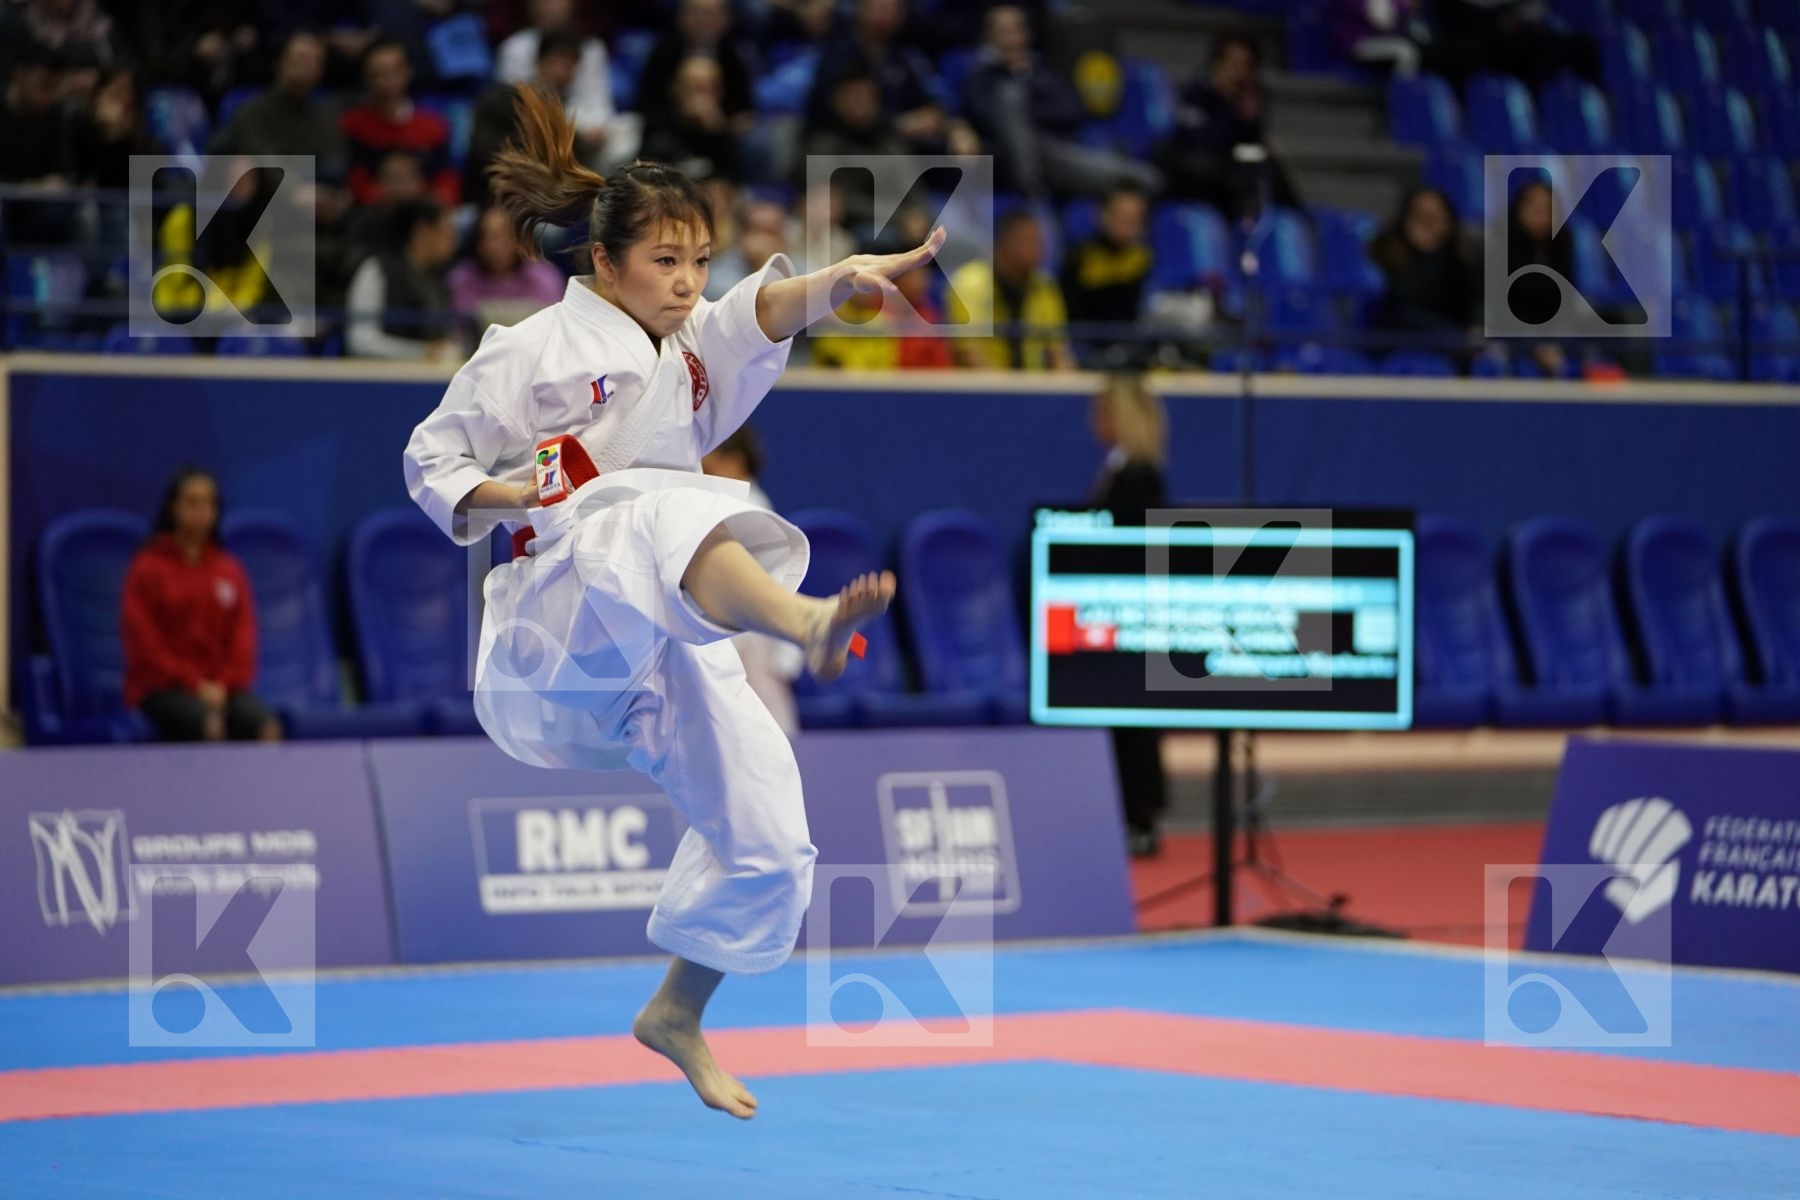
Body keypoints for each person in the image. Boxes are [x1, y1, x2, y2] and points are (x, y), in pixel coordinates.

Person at [402, 87, 939, 1119]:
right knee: (651, 501)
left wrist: (842, 278)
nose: (690, 283)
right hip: (547, 644)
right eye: (666, 262)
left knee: (771, 822)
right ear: (602, 263)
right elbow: (430, 453)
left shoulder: (688, 348)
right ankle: (808, 620)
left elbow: (756, 312)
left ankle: (679, 1011)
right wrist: (501, 490)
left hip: (651, 641)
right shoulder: (527, 351)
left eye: (699, 260)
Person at [121, 468, 280, 744]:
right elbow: (145, 646)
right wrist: (195, 684)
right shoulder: (147, 567)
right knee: (208, 725)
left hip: (222, 689)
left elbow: (243, 639)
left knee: (266, 727)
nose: (200, 510)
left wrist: (222, 684)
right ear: (173, 508)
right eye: (191, 502)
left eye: (208, 503)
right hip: (161, 689)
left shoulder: (229, 569)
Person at [1087, 375, 1169, 856]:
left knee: (1135, 719)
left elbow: (1134, 543)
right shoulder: (1116, 469)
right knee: (1118, 717)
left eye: (1102, 411)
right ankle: (1122, 809)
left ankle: (1143, 813)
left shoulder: (1141, 474)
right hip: (1109, 606)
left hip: (1132, 609)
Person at [963, 5, 1161, 201]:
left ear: (1027, 35)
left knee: (1146, 179)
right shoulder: (980, 77)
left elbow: (1070, 111)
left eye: (1018, 29)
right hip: (1008, 156)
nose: (1012, 39)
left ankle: (1035, 187)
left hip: (1057, 151)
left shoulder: (1042, 73)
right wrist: (1016, 88)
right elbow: (988, 118)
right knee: (1009, 95)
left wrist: (1026, 84)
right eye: (1004, 32)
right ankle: (1029, 186)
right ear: (989, 37)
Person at [701, 425, 805, 737]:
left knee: (770, 738)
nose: (704, 471)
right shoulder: (723, 504)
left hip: (753, 646)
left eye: (711, 463)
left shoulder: (752, 511)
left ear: (735, 462)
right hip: (733, 644)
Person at [947, 208, 1076, 370]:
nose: (1038, 250)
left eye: (1039, 242)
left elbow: (1059, 352)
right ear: (1004, 243)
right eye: (1028, 241)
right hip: (979, 389)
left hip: (1032, 387)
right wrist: (1003, 391)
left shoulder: (1045, 286)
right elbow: (969, 354)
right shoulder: (970, 283)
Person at [340, 40, 459, 208]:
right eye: (378, 75)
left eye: (394, 73)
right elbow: (356, 180)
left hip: (424, 212)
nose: (387, 82)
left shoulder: (433, 125)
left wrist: (431, 201)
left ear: (408, 72)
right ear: (366, 78)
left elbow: (446, 179)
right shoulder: (354, 124)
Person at [346, 199, 462, 360]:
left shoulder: (438, 279)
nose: (453, 242)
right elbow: (361, 341)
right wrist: (422, 352)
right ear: (422, 231)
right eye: (446, 232)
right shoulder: (377, 270)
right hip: (381, 379)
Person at [1368, 185, 1479, 340]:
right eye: (1422, 217)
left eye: (1438, 217)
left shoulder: (1460, 260)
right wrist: (1425, 252)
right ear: (1406, 219)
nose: (1430, 225)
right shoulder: (1385, 252)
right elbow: (1400, 308)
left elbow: (1469, 310)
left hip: (1450, 346)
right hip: (1399, 342)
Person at [1060, 184, 1153, 368]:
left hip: (1134, 350)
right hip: (1088, 350)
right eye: (1122, 216)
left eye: (1135, 218)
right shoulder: (1079, 258)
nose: (1129, 224)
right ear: (1101, 215)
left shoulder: (1147, 260)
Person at [449, 204, 569, 329]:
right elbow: (461, 329)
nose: (494, 246)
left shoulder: (545, 278)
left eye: (501, 237)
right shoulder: (462, 278)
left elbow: (554, 327)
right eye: (487, 236)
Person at [1506, 178, 1571, 378]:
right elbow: (1499, 309)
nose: (1543, 216)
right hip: (1512, 337)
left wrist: (1555, 343)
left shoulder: (1562, 245)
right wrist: (1535, 345)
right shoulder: (1500, 247)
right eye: (1536, 208)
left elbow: (1567, 301)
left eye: (1549, 210)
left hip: (1552, 338)